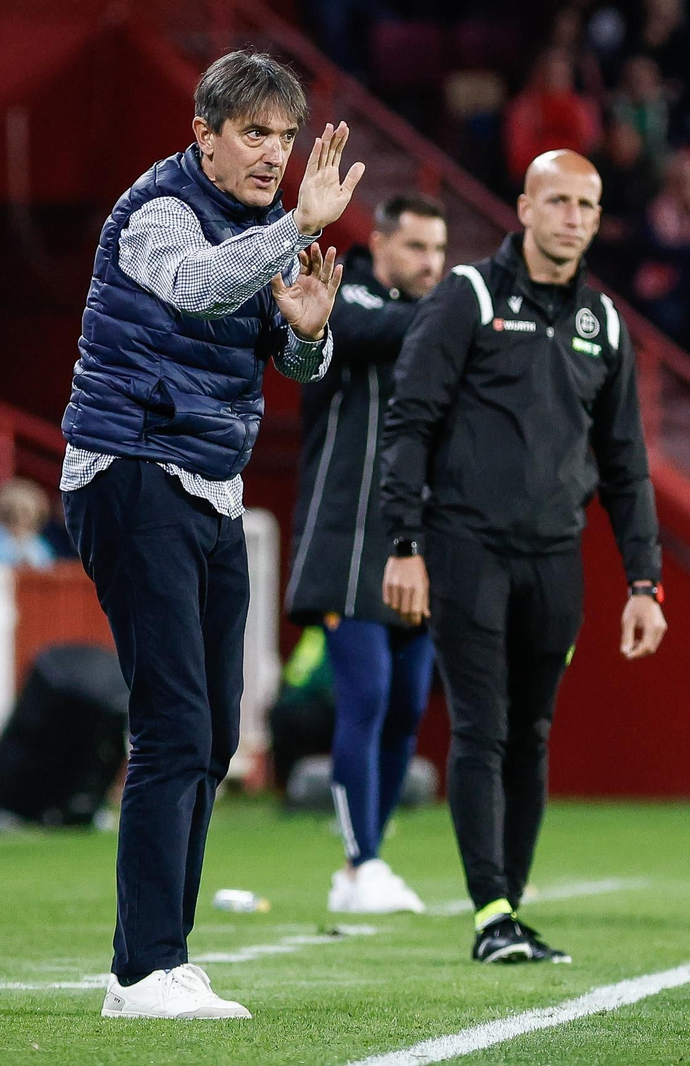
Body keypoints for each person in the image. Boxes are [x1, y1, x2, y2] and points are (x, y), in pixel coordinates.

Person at [58, 50, 362, 1020]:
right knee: (175, 724)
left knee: (218, 732)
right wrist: (295, 230)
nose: (274, 154)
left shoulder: (258, 230)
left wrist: (308, 331)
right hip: (130, 468)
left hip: (210, 485)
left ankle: (164, 959)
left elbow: (293, 360)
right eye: (253, 133)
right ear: (204, 134)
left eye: (285, 136)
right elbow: (195, 287)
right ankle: (142, 969)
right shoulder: (159, 211)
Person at [379, 150, 666, 966]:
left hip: (555, 560)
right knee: (483, 727)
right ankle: (491, 913)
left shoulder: (604, 323)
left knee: (532, 732)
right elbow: (409, 424)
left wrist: (644, 581)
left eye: (587, 205)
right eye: (559, 201)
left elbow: (626, 465)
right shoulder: (467, 297)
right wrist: (405, 543)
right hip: (465, 549)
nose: (573, 217)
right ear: (525, 208)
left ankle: (510, 911)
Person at [284, 193, 447, 915]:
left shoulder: (432, 320)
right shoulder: (340, 293)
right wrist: (460, 317)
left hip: (415, 543)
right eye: (416, 247)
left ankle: (364, 869)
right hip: (345, 540)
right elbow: (363, 331)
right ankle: (361, 860)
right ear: (379, 245)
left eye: (438, 250)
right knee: (368, 695)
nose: (431, 263)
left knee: (408, 704)